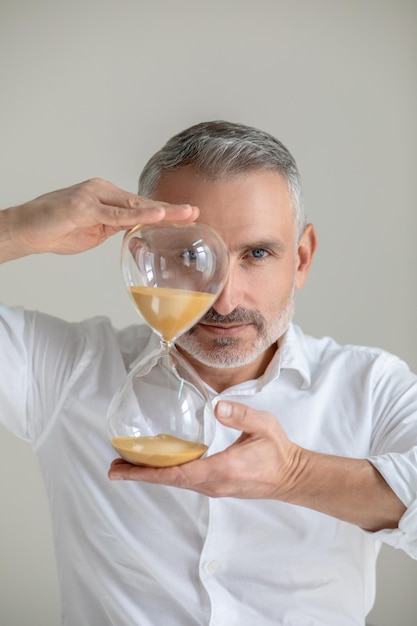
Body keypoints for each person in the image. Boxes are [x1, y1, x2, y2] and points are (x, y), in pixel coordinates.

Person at [0, 121, 416, 626]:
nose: (224, 298)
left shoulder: (371, 386)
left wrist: (294, 475)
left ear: (301, 258)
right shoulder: (68, 370)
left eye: (256, 254)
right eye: (189, 256)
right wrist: (16, 229)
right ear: (144, 257)